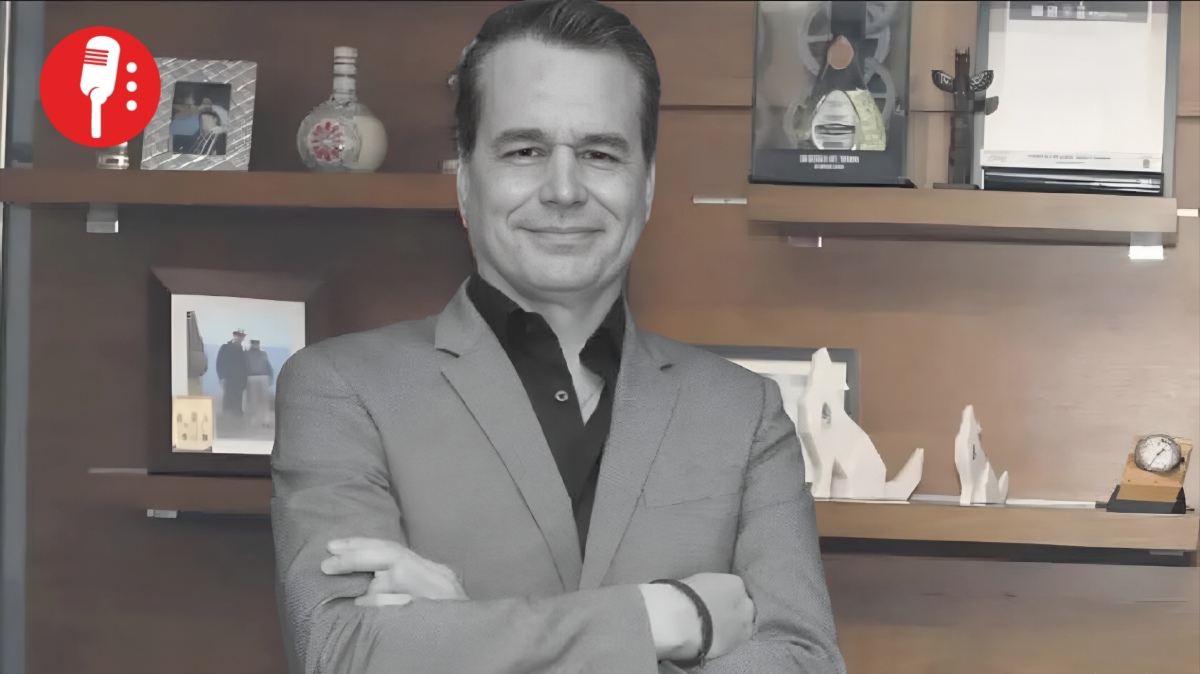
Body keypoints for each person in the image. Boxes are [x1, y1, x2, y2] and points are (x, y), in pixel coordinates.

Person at [270, 1, 844, 673]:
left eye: (599, 153)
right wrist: (666, 616)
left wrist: (460, 631)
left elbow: (805, 664)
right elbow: (342, 654)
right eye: (525, 151)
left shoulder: (744, 414)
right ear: (465, 182)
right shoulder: (341, 391)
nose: (564, 189)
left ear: (647, 186)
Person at [215, 329, 248, 417]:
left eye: (241, 336)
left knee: (238, 399)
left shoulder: (242, 350)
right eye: (238, 335)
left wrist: (245, 380)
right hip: (228, 378)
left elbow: (244, 366)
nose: (240, 338)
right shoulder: (225, 348)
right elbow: (220, 363)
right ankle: (227, 417)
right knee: (228, 398)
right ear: (234, 336)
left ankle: (236, 417)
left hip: (239, 380)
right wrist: (221, 376)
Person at [244, 339, 275, 427]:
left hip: (254, 377)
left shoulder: (248, 354)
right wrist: (271, 377)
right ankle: (262, 420)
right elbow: (268, 366)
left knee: (257, 399)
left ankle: (258, 420)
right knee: (260, 399)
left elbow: (267, 366)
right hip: (259, 377)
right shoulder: (261, 354)